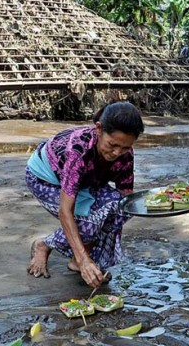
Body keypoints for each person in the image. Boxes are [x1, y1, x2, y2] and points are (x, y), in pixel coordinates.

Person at [26, 102, 145, 288]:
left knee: (121, 209)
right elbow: (65, 211)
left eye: (124, 148)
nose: (117, 153)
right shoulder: (79, 150)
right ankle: (44, 245)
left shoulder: (125, 153)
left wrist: (158, 204)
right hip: (46, 178)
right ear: (99, 129)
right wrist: (85, 262)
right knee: (88, 224)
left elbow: (125, 198)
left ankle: (76, 259)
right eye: (112, 145)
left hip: (86, 182)